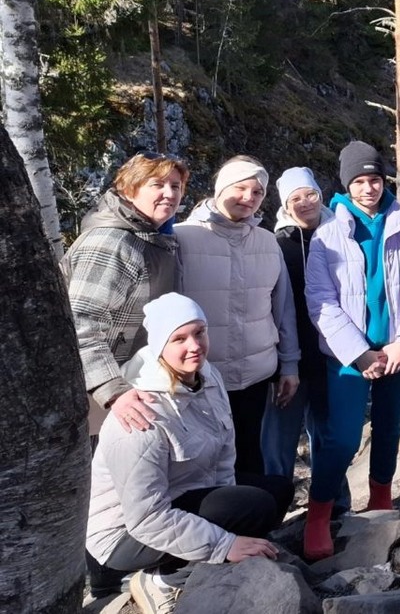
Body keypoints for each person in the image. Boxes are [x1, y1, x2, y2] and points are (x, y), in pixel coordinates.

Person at [86, 294, 292, 609]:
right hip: (125, 534)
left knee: (277, 492)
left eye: (199, 332)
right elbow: (145, 517)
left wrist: (234, 520)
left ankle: (193, 562)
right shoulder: (142, 411)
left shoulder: (208, 377)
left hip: (180, 496)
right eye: (179, 338)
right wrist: (225, 543)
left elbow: (225, 458)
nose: (194, 345)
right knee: (254, 506)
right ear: (159, 347)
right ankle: (162, 580)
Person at [303, 140, 400, 559]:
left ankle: (380, 499)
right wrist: (358, 353)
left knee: (390, 427)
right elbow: (320, 301)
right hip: (347, 356)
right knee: (342, 436)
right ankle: (318, 514)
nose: (368, 188)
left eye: (374, 179)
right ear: (346, 185)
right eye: (359, 181)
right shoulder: (327, 235)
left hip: (394, 349)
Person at [176, 156, 299, 475]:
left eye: (257, 192)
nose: (249, 197)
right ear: (221, 188)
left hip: (255, 375)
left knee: (248, 455)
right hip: (199, 375)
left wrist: (289, 365)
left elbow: (282, 309)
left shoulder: (268, 241)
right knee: (200, 462)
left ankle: (253, 524)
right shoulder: (182, 238)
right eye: (240, 188)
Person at [66, 151, 189, 436]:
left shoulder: (151, 238)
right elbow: (80, 324)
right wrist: (113, 391)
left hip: (125, 381)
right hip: (95, 393)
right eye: (157, 185)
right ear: (129, 190)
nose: (169, 194)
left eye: (176, 186)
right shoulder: (111, 243)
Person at [261, 166, 339, 486]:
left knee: (327, 433)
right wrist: (283, 361)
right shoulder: (277, 245)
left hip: (330, 355)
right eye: (296, 198)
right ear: (285, 204)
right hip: (288, 358)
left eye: (311, 195)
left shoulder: (340, 236)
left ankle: (334, 503)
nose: (305, 203)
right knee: (278, 439)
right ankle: (273, 505)